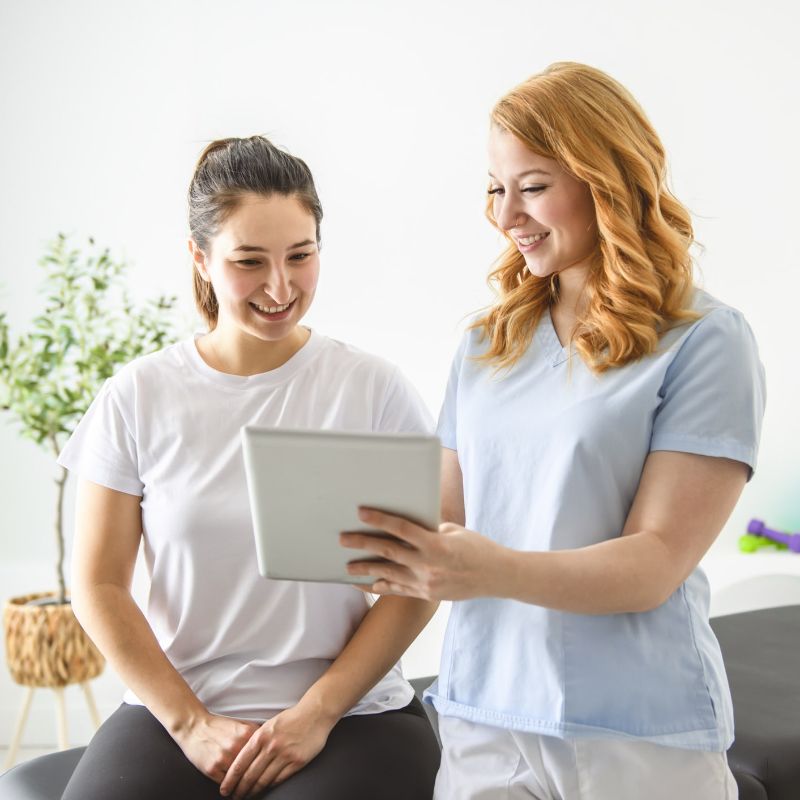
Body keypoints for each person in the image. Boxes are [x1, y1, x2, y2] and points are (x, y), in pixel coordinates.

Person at [341, 62, 766, 799]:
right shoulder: (487, 343)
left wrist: (489, 570)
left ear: (609, 178)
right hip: (487, 721)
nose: (506, 216)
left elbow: (656, 560)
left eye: (532, 186)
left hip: (637, 732)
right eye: (495, 189)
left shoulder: (704, 341)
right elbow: (447, 521)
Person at [57, 136, 441, 800]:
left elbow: (420, 578)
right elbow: (98, 583)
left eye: (301, 255)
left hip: (351, 714)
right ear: (200, 259)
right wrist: (190, 723)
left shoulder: (372, 389)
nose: (280, 287)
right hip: (177, 709)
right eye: (249, 262)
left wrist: (317, 712)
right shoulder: (138, 397)